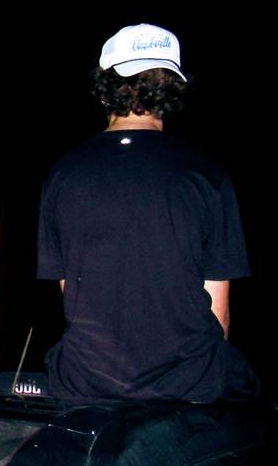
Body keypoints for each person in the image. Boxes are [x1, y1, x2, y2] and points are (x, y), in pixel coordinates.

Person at [37, 23, 261, 403]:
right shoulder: (207, 174)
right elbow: (218, 312)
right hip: (190, 384)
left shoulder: (64, 173)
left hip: (87, 384)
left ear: (104, 88)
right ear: (171, 90)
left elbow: (70, 295)